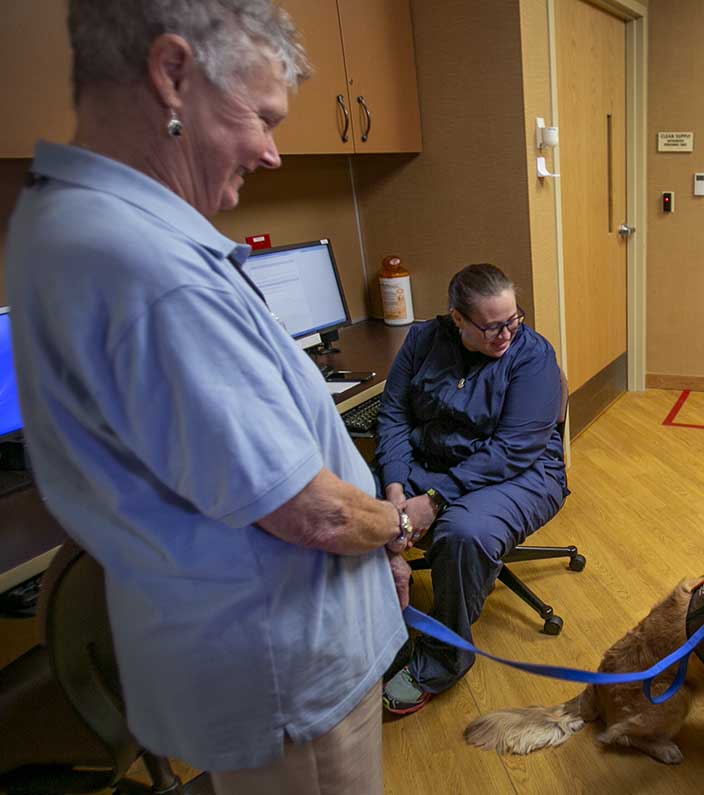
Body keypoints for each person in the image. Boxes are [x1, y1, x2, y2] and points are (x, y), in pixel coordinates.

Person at [4, 2, 409, 793]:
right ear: (172, 75)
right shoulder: (155, 274)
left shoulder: (87, 231)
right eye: (261, 116)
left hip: (242, 659)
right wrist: (397, 523)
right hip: (291, 677)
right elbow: (311, 512)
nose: (272, 154)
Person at [374, 263, 568, 715]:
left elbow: (511, 449)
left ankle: (444, 658)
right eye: (492, 326)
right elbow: (394, 417)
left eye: (513, 320)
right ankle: (375, 631)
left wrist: (434, 501)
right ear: (458, 319)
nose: (506, 334)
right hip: (431, 460)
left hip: (521, 471)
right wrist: (396, 489)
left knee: (465, 533)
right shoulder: (423, 340)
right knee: (353, 503)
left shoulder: (532, 356)